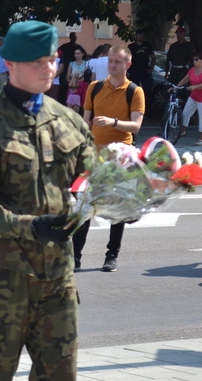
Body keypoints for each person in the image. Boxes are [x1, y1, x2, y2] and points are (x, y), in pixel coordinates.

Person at [0, 21, 94, 381]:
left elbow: (92, 181)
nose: (49, 68)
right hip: (2, 283)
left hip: (57, 282)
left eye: (53, 60)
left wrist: (137, 188)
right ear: (10, 63)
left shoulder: (69, 122)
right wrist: (31, 226)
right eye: (38, 62)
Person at [75, 46, 146, 272]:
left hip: (120, 158)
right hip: (94, 158)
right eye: (111, 61)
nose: (113, 65)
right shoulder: (95, 88)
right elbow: (85, 122)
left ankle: (111, 255)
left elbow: (136, 125)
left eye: (118, 62)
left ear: (127, 65)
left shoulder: (134, 91)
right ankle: (75, 256)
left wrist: (113, 122)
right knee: (84, 208)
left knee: (117, 209)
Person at [176, 52, 202, 146]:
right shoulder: (192, 70)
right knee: (185, 113)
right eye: (193, 60)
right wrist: (176, 87)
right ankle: (182, 132)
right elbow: (186, 79)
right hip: (193, 96)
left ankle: (201, 139)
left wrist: (194, 87)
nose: (194, 61)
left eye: (196, 59)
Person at [127, 28, 155, 114]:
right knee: (132, 90)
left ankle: (148, 112)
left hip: (145, 71)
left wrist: (151, 67)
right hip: (134, 71)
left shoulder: (147, 45)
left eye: (142, 34)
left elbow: (153, 58)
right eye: (138, 34)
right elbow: (127, 58)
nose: (140, 36)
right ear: (136, 36)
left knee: (147, 91)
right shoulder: (131, 47)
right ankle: (131, 110)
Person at [58, 32, 86, 103]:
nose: (75, 38)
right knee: (65, 84)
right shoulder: (65, 46)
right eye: (73, 36)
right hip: (65, 67)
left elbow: (84, 54)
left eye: (75, 36)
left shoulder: (78, 47)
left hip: (74, 68)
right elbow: (58, 52)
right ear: (70, 37)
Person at [65, 47, 89, 113]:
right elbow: (67, 77)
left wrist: (77, 79)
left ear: (82, 54)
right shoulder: (71, 63)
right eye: (75, 53)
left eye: (78, 53)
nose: (76, 55)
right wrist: (73, 81)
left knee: (81, 105)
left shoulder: (86, 63)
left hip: (81, 86)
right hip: (72, 86)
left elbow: (86, 76)